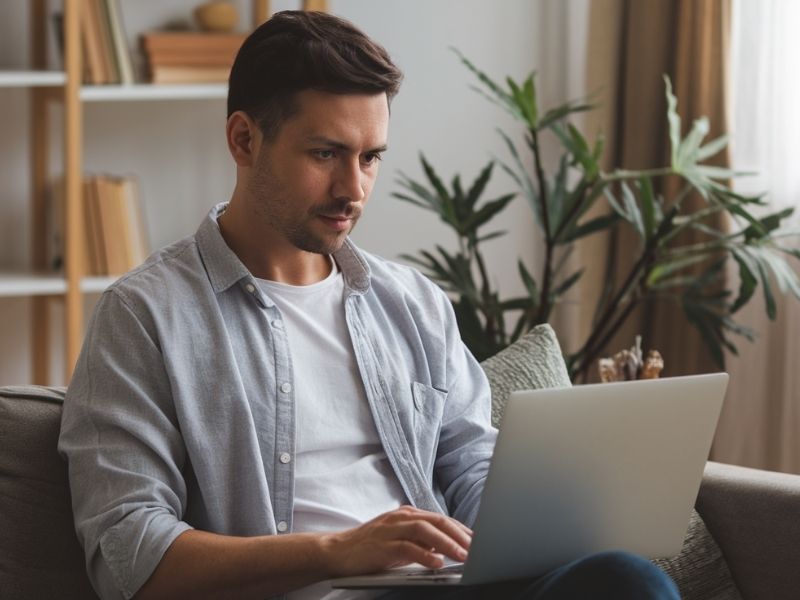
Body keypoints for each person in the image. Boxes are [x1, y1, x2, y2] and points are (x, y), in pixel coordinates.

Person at [59, 10, 679, 600]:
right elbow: (129, 555)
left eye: (370, 158)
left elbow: (471, 463)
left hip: (445, 585)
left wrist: (546, 521)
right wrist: (336, 551)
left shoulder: (410, 303)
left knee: (629, 580)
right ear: (244, 140)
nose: (353, 189)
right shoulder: (145, 316)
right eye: (325, 153)